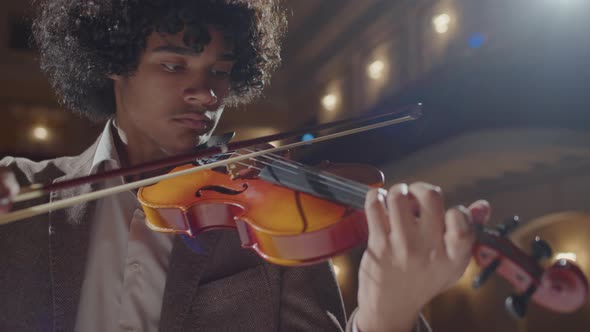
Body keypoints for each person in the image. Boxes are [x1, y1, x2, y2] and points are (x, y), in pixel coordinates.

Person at [0, 0, 491, 331]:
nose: (208, 94)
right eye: (175, 66)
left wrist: (389, 312)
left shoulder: (274, 222)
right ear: (113, 61)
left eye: (220, 71)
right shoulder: (20, 192)